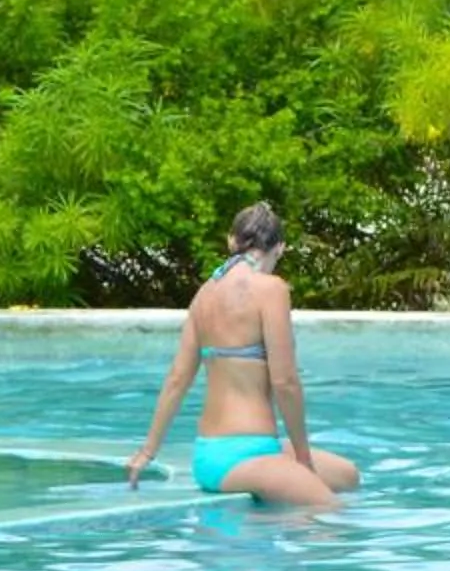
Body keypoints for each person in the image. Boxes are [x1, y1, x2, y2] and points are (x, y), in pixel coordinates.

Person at [124, 203, 361, 506]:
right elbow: (285, 381)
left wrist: (147, 452)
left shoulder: (204, 295)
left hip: (213, 455)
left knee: (347, 476)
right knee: (330, 513)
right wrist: (303, 460)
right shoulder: (271, 289)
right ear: (279, 248)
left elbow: (177, 379)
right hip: (239, 456)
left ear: (230, 241)